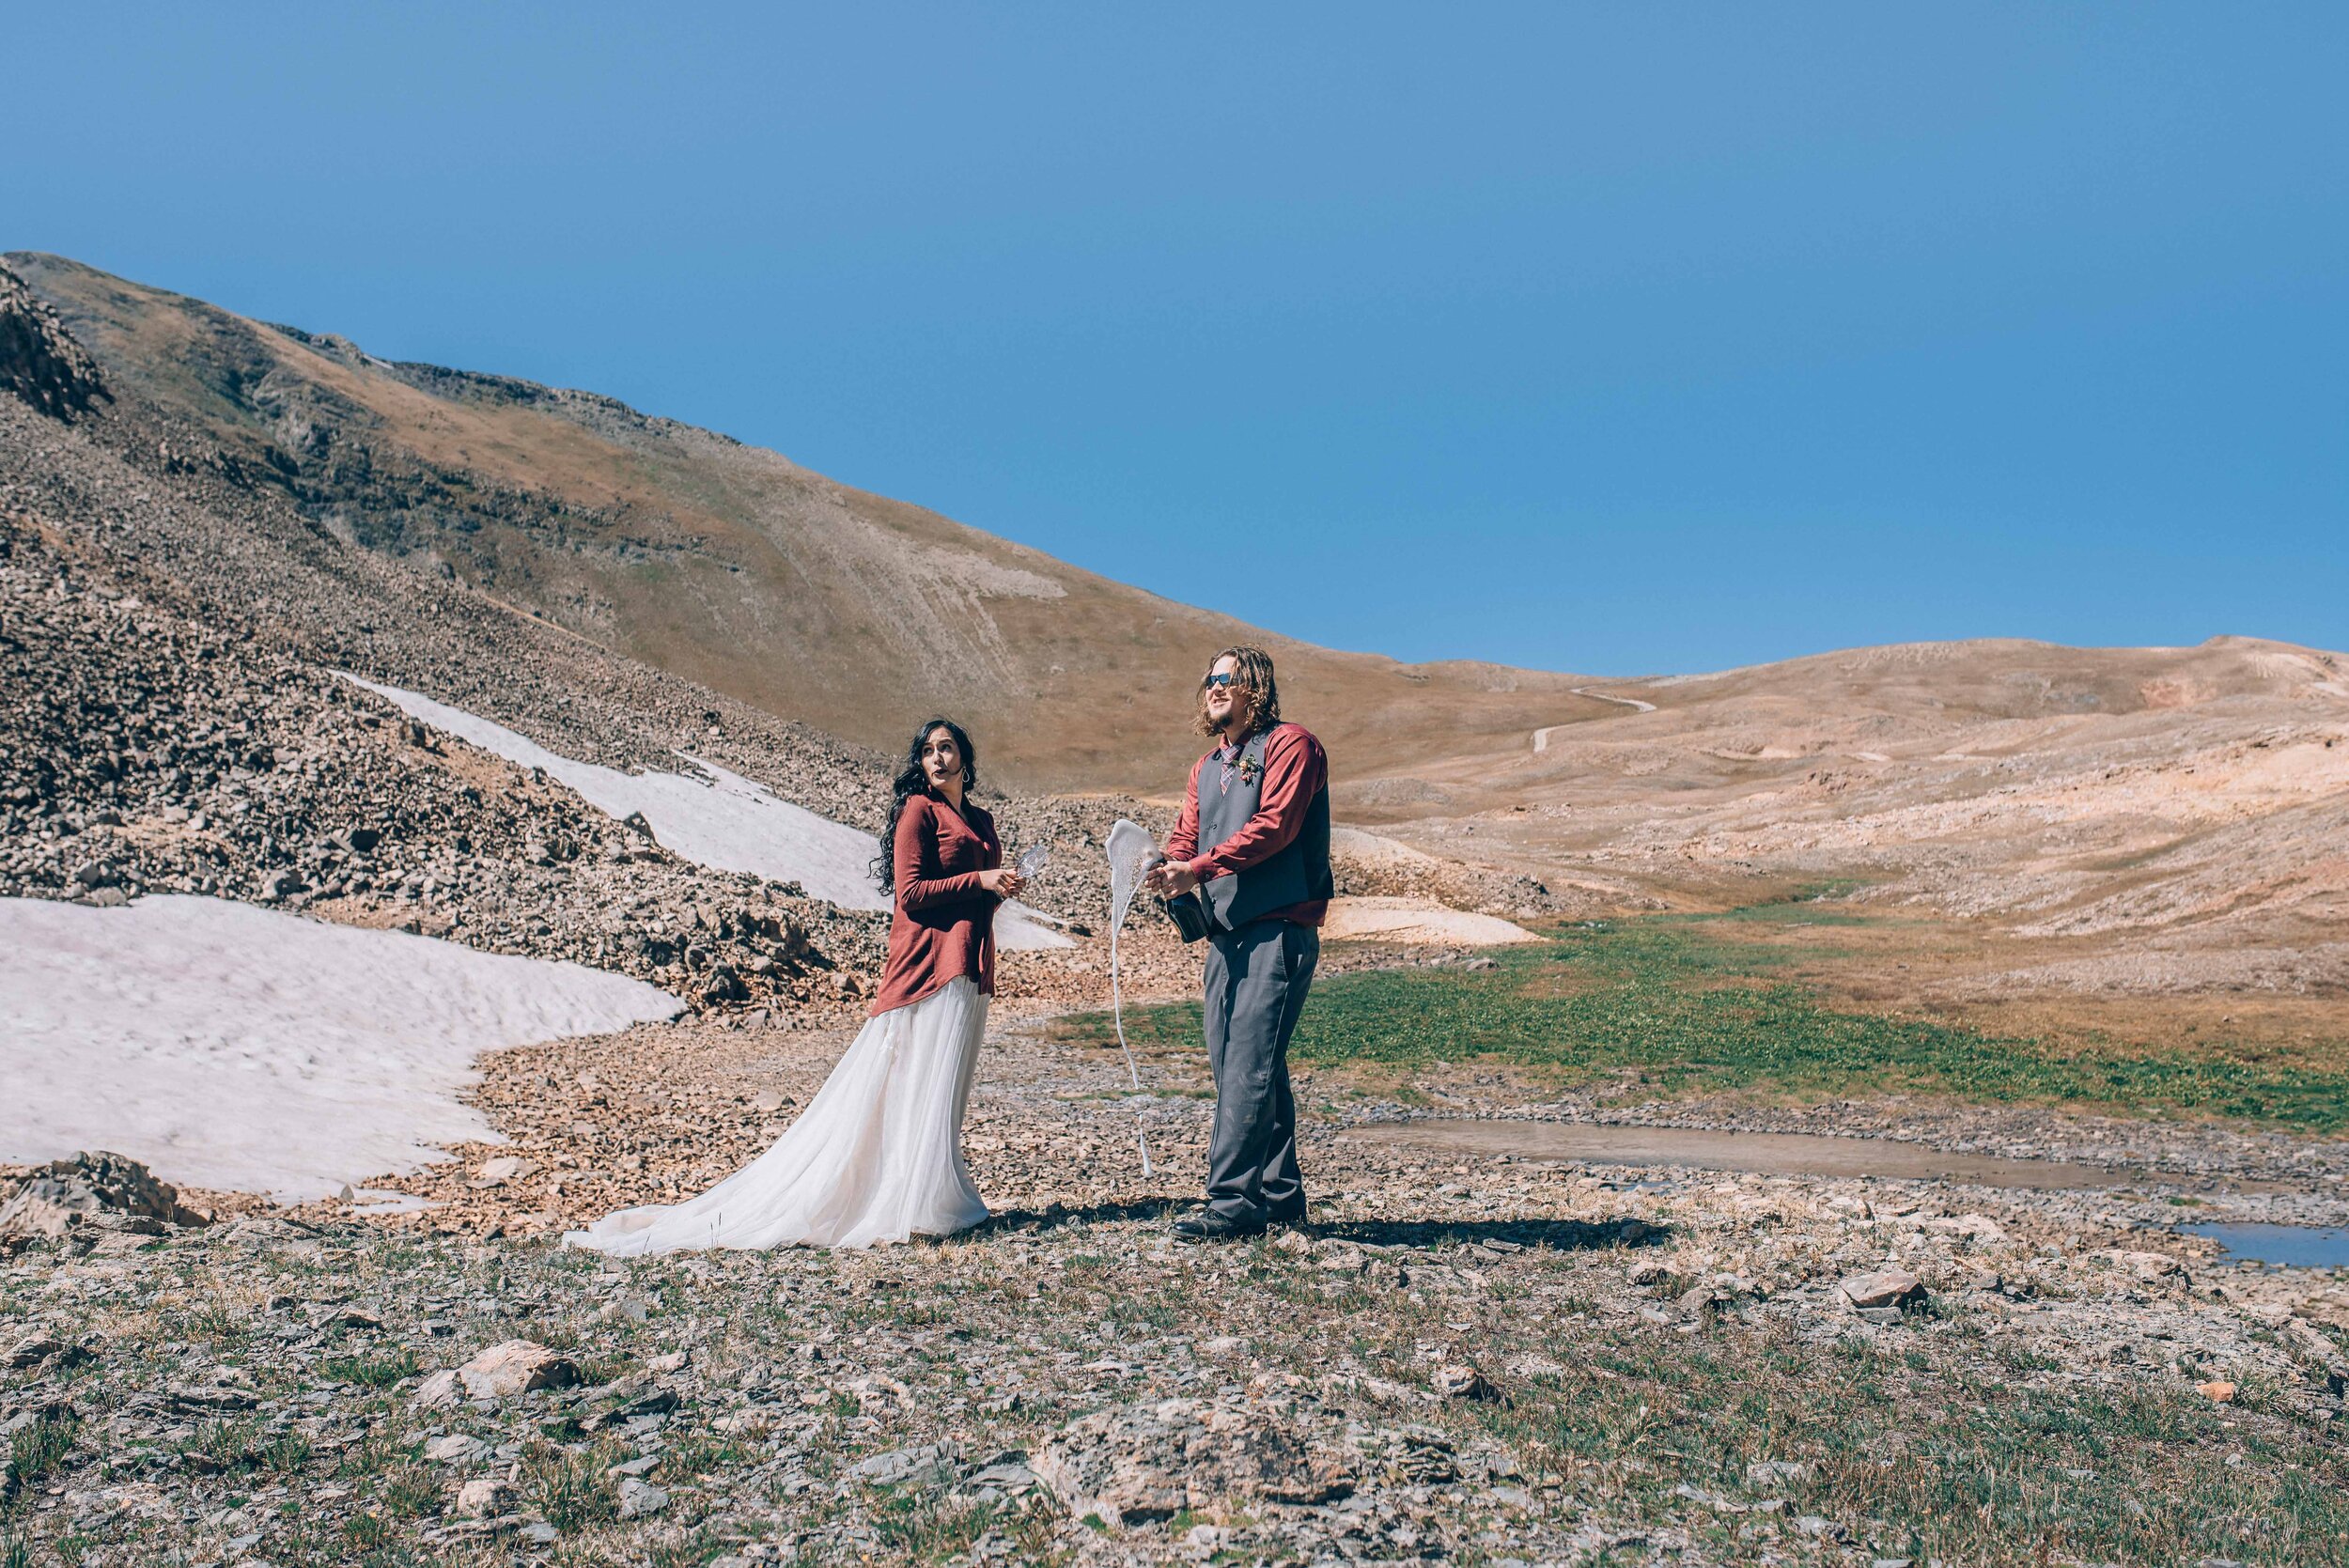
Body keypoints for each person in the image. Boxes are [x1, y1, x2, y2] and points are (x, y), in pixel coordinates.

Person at [565, 718, 1023, 1254]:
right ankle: (908, 1203)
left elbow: (974, 897)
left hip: (969, 963)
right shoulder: (917, 812)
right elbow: (913, 893)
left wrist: (999, 888)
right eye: (928, 751)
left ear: (965, 758)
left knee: (945, 1086)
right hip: (926, 966)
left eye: (947, 749)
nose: (938, 759)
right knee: (916, 1079)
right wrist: (981, 880)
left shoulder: (981, 820)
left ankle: (935, 1193)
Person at [1145, 645, 1331, 1241]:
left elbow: (1274, 826)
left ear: (1256, 686)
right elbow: (1184, 835)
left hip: (1278, 928)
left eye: (1228, 677)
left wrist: (1197, 869)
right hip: (1226, 934)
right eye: (1210, 679)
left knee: (1248, 1063)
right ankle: (1279, 1195)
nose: (1216, 686)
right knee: (1245, 1064)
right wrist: (1163, 867)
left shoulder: (1292, 745)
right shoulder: (1206, 766)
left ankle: (1231, 1203)